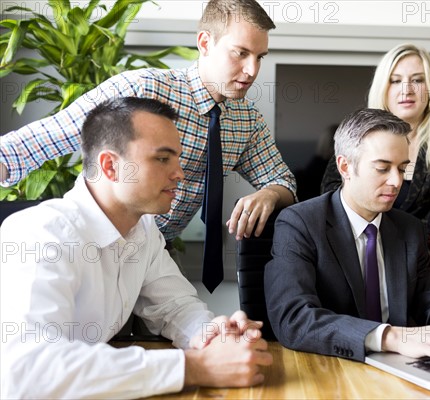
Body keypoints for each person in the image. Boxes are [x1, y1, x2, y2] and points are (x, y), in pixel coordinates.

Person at [0, 98, 273, 399]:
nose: (179, 174)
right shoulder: (41, 234)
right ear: (110, 166)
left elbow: (175, 307)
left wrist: (212, 336)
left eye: (177, 159)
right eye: (162, 159)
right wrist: (193, 367)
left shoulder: (143, 230)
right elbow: (27, 371)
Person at [0, 0, 295, 248]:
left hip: (155, 256)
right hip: (92, 248)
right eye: (241, 53)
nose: (252, 70)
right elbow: (43, 139)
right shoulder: (142, 88)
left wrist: (269, 194)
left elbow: (284, 182)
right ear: (205, 42)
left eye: (260, 57)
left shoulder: (246, 120)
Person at [264, 108, 430, 363]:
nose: (396, 181)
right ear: (345, 166)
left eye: (402, 169)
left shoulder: (409, 230)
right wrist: (389, 337)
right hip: (331, 367)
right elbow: (293, 319)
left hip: (400, 368)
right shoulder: (300, 224)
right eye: (382, 168)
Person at [320, 44, 430, 238]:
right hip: (357, 247)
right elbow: (332, 199)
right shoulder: (356, 136)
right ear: (383, 88)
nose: (406, 90)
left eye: (417, 80)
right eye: (395, 81)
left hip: (424, 255)